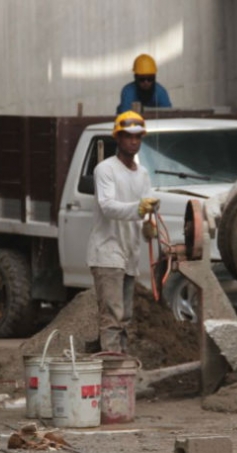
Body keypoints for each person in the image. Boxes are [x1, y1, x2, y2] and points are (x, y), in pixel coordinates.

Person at [87, 111, 159, 353]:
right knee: (112, 316)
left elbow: (146, 206)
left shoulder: (143, 174)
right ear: (117, 138)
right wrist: (138, 210)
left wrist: (149, 224)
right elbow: (107, 206)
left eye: (138, 137)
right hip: (108, 252)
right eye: (128, 136)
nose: (134, 142)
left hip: (129, 254)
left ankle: (121, 365)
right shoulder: (105, 170)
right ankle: (111, 369)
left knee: (125, 317)